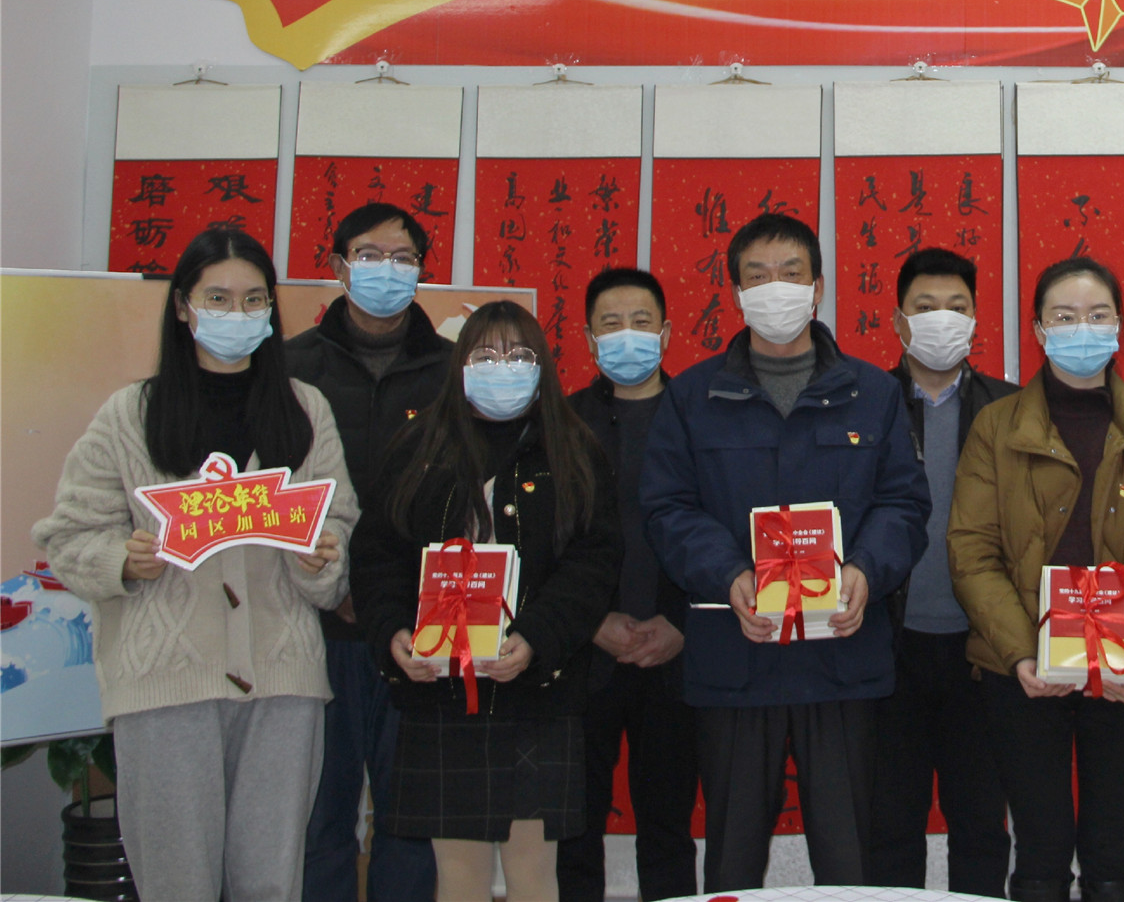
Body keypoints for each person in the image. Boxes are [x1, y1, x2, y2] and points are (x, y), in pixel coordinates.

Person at [34, 228, 358, 902]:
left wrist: (320, 557)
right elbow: (68, 535)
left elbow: (338, 526)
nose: (237, 313)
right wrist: (121, 560)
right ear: (183, 305)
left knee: (270, 880)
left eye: (253, 299)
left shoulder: (305, 409)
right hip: (164, 687)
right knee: (177, 882)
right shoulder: (129, 415)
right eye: (218, 297)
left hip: (283, 685)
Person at [641, 212, 930, 891]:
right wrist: (728, 573)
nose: (776, 288)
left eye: (791, 273)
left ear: (818, 287)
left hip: (843, 655)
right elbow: (668, 508)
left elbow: (904, 504)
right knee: (732, 861)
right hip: (736, 652)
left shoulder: (874, 393)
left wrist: (865, 570)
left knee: (849, 858)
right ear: (736, 292)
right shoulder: (691, 396)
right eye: (758, 275)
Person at [350, 300, 619, 902]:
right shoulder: (417, 446)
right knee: (459, 877)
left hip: (537, 695)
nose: (503, 366)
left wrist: (537, 637)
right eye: (486, 354)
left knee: (533, 875)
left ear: (542, 366)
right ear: (460, 365)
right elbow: (376, 556)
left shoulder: (575, 448)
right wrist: (394, 634)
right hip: (442, 696)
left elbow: (594, 562)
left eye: (519, 355)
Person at [949, 255, 1124, 902]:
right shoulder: (996, 426)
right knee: (1041, 846)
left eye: (1096, 314)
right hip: (1023, 667)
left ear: (1120, 325)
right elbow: (972, 549)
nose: (1081, 328)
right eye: (1064, 316)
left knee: (1112, 849)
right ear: (1038, 329)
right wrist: (1020, 652)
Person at [291, 202, 452, 902]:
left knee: (410, 819)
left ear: (421, 270)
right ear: (338, 266)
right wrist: (333, 585)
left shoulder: (455, 369)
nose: (386, 269)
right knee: (316, 817)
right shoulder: (289, 366)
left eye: (402, 258)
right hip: (311, 626)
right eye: (369, 255)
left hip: (418, 629)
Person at [868, 247, 1016, 897]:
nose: (941, 319)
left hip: (982, 651)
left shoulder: (1011, 409)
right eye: (924, 307)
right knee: (889, 827)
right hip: (887, 645)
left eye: (956, 307)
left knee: (981, 825)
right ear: (899, 321)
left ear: (976, 320)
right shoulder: (865, 404)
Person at [557, 267, 699, 902]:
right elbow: (543, 539)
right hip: (585, 653)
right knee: (575, 826)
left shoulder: (699, 415)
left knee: (668, 827)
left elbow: (722, 529)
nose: (627, 336)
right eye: (610, 324)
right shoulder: (563, 421)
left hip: (676, 652)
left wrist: (681, 622)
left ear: (665, 334)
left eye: (641, 322)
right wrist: (591, 621)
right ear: (590, 340)